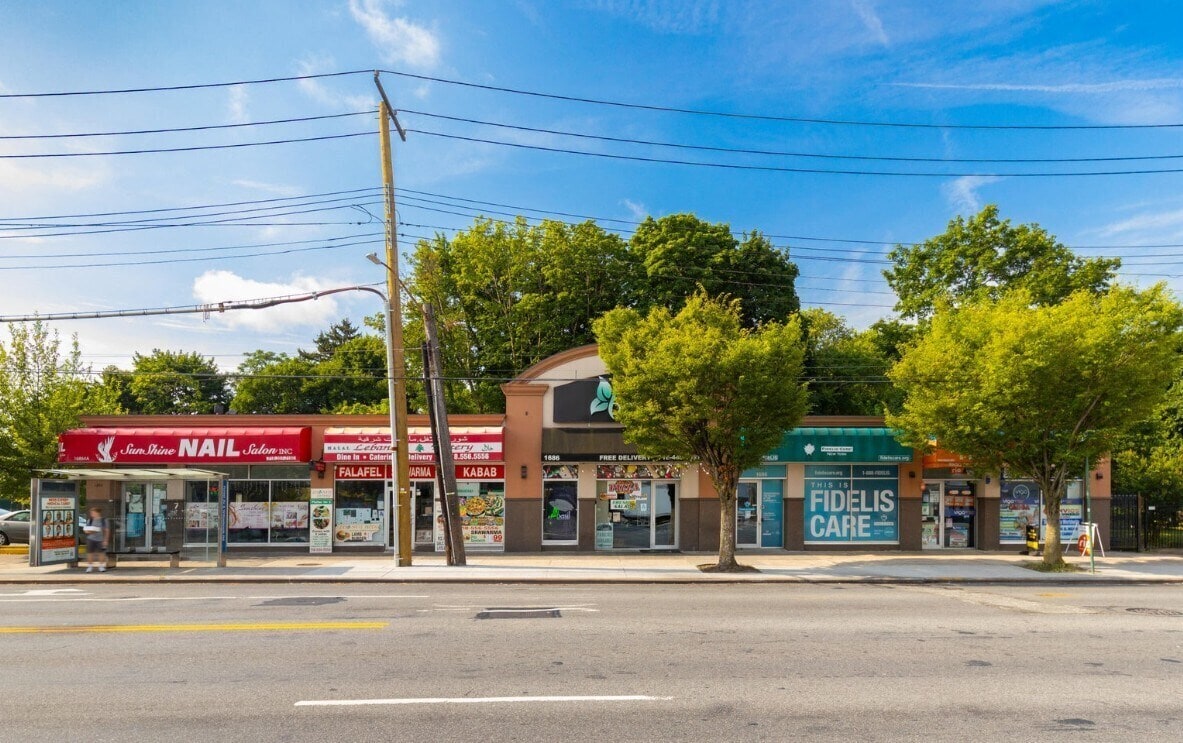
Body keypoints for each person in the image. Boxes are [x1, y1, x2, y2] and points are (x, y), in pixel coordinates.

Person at [83, 506, 108, 573]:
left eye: (93, 512)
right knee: (90, 553)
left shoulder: (103, 520)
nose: (91, 514)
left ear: (97, 513)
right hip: (90, 539)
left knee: (101, 553)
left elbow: (107, 531)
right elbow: (85, 530)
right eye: (91, 513)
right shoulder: (90, 520)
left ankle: (101, 566)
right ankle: (90, 566)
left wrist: (105, 540)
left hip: (100, 539)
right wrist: (91, 531)